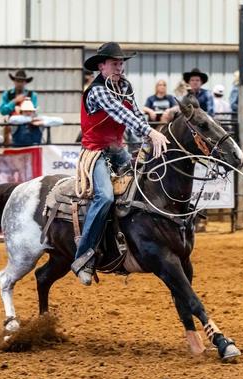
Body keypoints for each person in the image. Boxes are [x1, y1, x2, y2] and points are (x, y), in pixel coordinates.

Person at [73, 42, 170, 285]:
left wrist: (147, 137)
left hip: (118, 150)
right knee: (104, 197)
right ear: (101, 66)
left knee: (142, 186)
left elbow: (135, 113)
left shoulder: (124, 86)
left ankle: (132, 245)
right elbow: (120, 113)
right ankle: (82, 257)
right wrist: (151, 132)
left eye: (121, 63)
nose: (120, 67)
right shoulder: (96, 91)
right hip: (95, 152)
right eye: (115, 63)